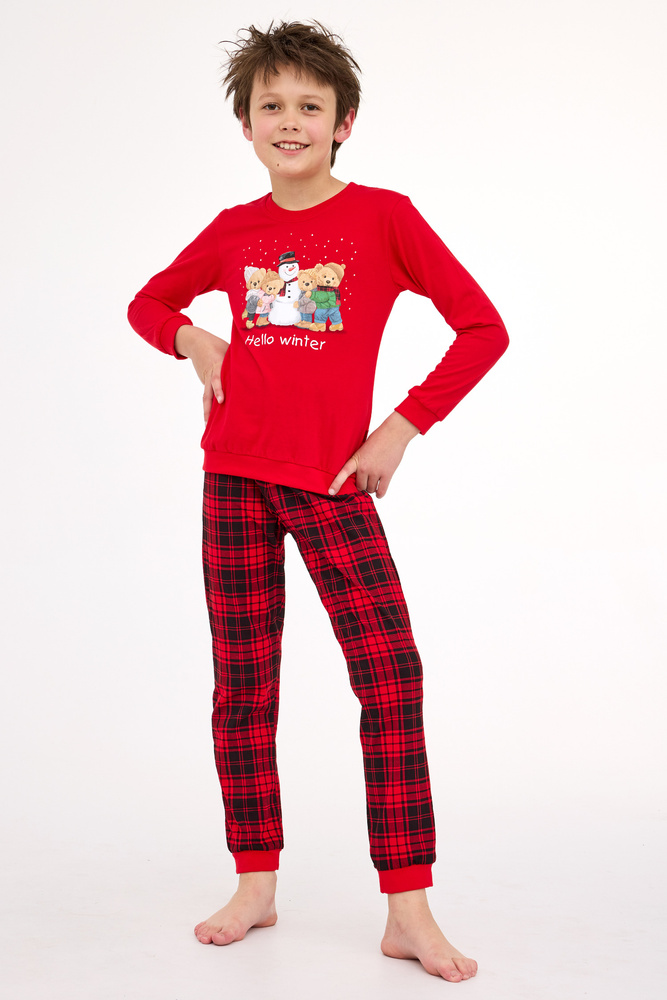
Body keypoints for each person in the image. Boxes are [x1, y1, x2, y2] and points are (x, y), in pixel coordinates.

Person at [127, 20, 508, 983]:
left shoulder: (384, 218)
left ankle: (407, 909)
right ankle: (255, 883)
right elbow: (148, 303)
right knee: (244, 685)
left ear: (344, 124)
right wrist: (195, 342)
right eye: (271, 106)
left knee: (390, 676)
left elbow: (481, 328)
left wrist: (399, 427)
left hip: (332, 483)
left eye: (309, 106)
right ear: (246, 125)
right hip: (232, 478)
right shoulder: (233, 230)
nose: (288, 121)